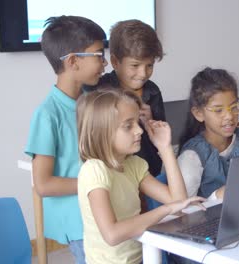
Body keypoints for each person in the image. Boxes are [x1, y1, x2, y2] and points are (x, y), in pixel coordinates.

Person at [77, 88, 205, 264]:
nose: (139, 130)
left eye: (137, 123)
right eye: (128, 126)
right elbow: (112, 235)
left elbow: (178, 202)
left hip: (140, 257)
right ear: (101, 131)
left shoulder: (134, 164)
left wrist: (165, 148)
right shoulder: (94, 169)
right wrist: (165, 210)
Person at [24, 15, 107, 263]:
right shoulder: (47, 114)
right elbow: (44, 184)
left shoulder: (92, 101)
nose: (104, 63)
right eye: (98, 55)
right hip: (80, 223)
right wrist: (97, 184)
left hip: (104, 213)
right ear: (72, 61)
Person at [177, 67, 239, 200]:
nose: (229, 116)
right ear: (199, 113)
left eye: (233, 107)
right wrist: (216, 196)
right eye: (218, 110)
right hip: (209, 219)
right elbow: (184, 212)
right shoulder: (192, 156)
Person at [85, 19, 165, 178]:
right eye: (135, 66)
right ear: (115, 62)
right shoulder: (101, 91)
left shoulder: (153, 91)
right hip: (116, 176)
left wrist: (151, 123)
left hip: (149, 173)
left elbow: (160, 141)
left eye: (149, 65)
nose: (143, 74)